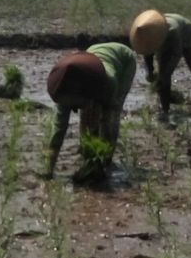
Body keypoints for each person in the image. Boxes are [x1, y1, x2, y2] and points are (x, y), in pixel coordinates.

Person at [45, 42, 138, 179]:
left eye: (74, 102)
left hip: (123, 61)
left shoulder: (109, 83)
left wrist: (102, 156)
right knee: (87, 116)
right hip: (90, 60)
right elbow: (59, 128)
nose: (70, 105)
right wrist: (49, 168)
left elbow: (108, 119)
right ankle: (86, 153)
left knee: (110, 116)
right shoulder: (63, 89)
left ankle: (105, 161)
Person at [129, 9, 191, 115]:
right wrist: (150, 72)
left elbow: (176, 54)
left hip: (187, 35)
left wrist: (164, 74)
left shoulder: (172, 32)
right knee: (162, 76)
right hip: (165, 39)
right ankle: (165, 108)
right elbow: (148, 54)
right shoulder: (146, 36)